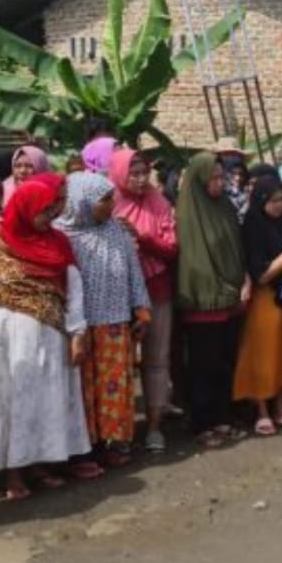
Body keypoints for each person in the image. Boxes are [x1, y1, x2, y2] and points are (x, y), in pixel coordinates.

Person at [0, 173, 98, 498]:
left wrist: (78, 333)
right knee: (13, 402)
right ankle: (13, 476)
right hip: (8, 339)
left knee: (45, 402)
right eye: (43, 210)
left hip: (51, 336)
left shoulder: (58, 242)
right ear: (24, 207)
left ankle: (40, 464)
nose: (48, 216)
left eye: (52, 209)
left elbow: (73, 290)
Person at [57, 171, 152, 466]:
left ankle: (114, 441)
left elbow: (134, 272)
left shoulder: (116, 231)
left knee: (113, 384)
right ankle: (85, 448)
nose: (112, 204)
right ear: (82, 201)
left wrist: (142, 309)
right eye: (105, 199)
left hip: (114, 322)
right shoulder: (61, 234)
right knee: (82, 387)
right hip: (78, 327)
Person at [176, 151, 251, 449]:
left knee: (224, 362)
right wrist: (220, 286)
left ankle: (223, 416)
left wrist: (243, 280)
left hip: (231, 297)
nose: (221, 183)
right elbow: (195, 262)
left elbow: (237, 249)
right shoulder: (187, 214)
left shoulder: (225, 209)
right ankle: (201, 423)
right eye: (215, 178)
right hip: (202, 301)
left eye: (223, 177)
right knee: (202, 366)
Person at [107, 149, 179, 453]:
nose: (139, 179)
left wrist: (143, 238)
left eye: (143, 173)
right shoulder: (107, 202)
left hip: (157, 287)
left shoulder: (159, 202)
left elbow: (171, 248)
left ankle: (153, 426)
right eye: (132, 173)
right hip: (117, 292)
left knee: (156, 359)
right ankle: (119, 430)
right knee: (118, 362)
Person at [232, 173, 282, 436]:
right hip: (264, 299)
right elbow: (262, 274)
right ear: (261, 201)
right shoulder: (253, 225)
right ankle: (262, 410)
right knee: (261, 354)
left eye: (281, 200)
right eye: (273, 201)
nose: (279, 205)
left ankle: (281, 407)